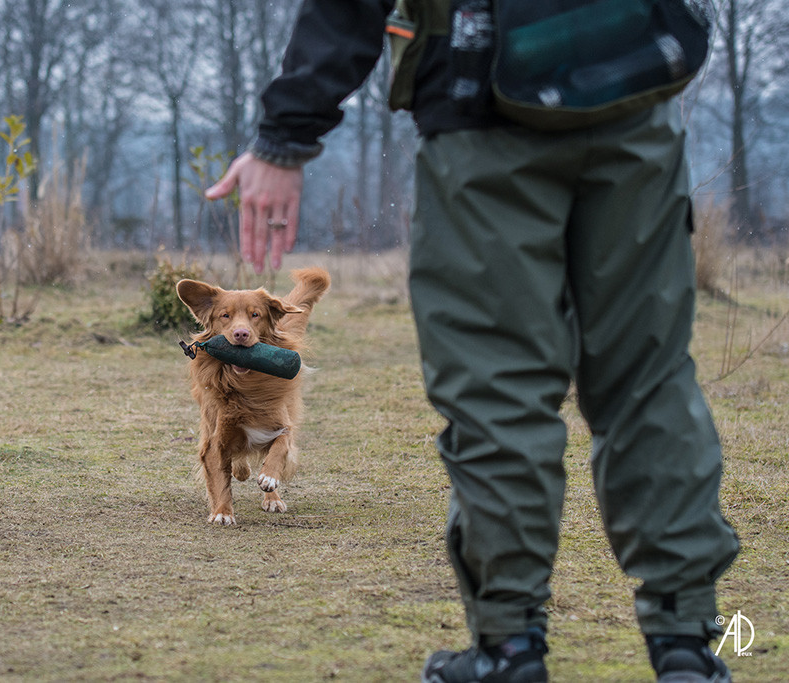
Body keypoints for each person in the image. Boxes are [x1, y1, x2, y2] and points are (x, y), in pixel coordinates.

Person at [205, 1, 740, 681]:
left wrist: (285, 135)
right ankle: (688, 640)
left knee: (498, 391)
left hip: (484, 104)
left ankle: (508, 646)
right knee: (649, 379)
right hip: (635, 88)